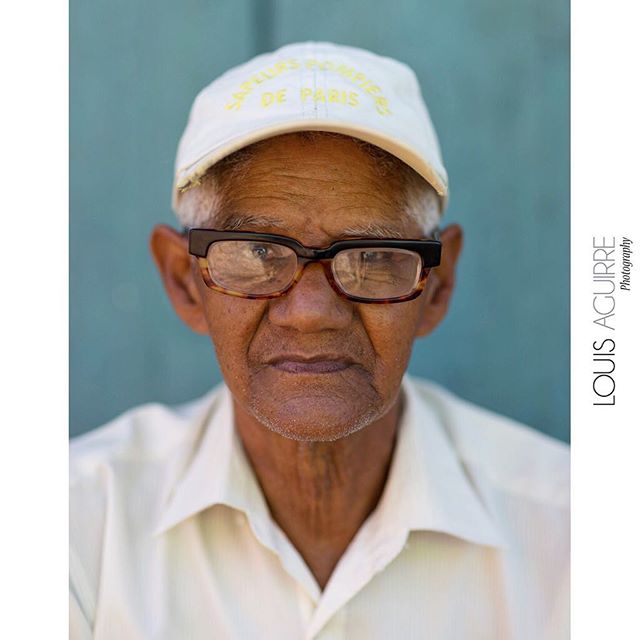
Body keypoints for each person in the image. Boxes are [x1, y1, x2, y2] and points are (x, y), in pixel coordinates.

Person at [70, 42, 569, 639]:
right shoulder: (71, 526)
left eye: (374, 255)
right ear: (184, 281)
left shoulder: (574, 536)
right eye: (257, 252)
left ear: (438, 286)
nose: (310, 314)